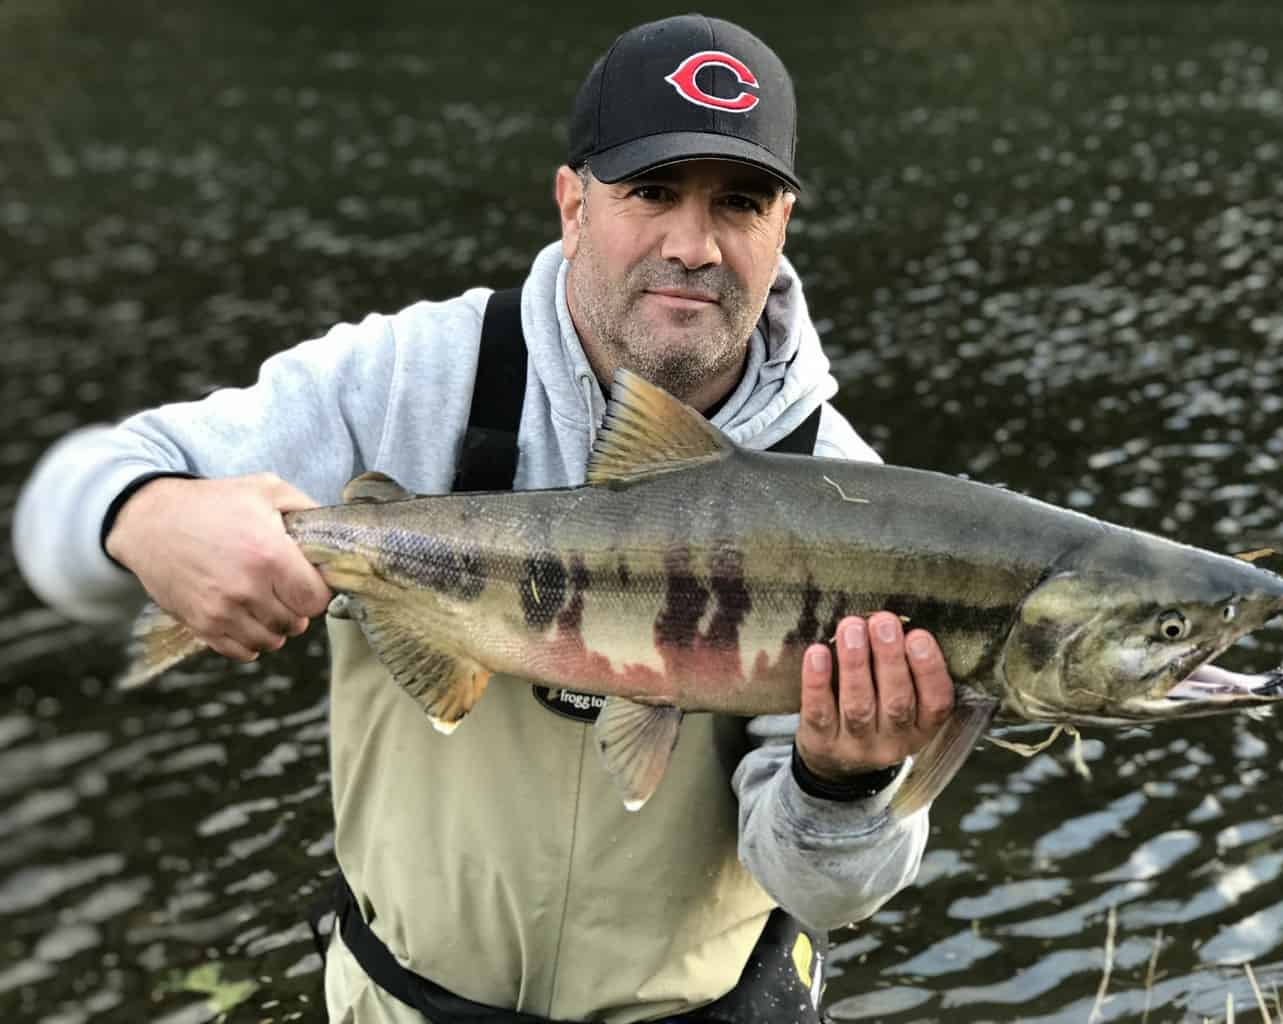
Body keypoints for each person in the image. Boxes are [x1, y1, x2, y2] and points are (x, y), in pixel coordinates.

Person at [13, 14, 955, 1024]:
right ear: (572, 205)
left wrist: (846, 782)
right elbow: (62, 511)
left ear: (782, 226)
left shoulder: (851, 497)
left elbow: (826, 893)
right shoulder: (410, 379)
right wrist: (144, 516)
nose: (695, 244)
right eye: (650, 192)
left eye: (740, 202)